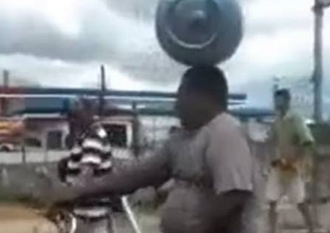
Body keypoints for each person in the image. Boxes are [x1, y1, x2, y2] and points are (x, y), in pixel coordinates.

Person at [44, 66, 257, 233]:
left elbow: (235, 195)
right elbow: (136, 175)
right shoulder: (180, 140)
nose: (176, 106)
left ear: (201, 97)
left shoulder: (225, 132)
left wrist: (196, 224)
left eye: (180, 96)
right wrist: (81, 189)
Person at [57, 98, 116, 233]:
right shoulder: (90, 135)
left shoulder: (92, 137)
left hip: (91, 216)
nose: (71, 121)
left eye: (74, 116)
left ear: (87, 114)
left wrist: (63, 196)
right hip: (87, 213)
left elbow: (86, 175)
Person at [265, 89, 316, 233]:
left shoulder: (295, 119)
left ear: (287, 101)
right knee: (272, 199)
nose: (276, 103)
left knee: (299, 201)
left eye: (279, 100)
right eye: (275, 100)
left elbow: (307, 142)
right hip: (279, 165)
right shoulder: (277, 120)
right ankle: (271, 230)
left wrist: (298, 161)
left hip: (292, 167)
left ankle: (312, 228)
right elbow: (270, 139)